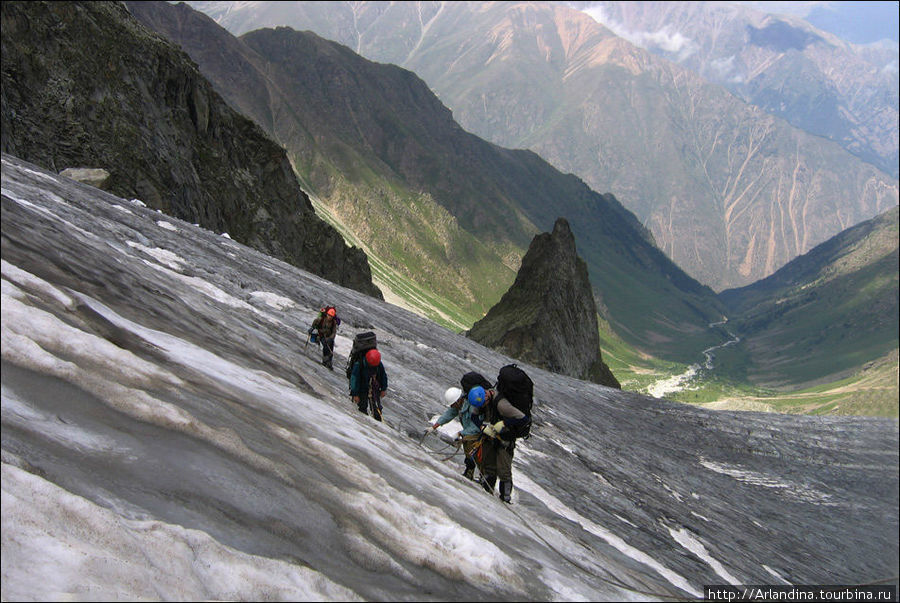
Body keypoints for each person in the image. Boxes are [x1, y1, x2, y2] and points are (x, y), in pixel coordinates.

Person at [470, 384, 530, 503]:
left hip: (506, 439)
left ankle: (505, 498)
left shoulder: (502, 405)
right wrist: (482, 428)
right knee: (489, 467)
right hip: (491, 437)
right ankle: (487, 491)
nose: (481, 407)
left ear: (487, 396)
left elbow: (523, 419)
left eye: (482, 404)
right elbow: (474, 416)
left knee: (504, 471)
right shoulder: (480, 400)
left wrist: (504, 423)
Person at [429, 386, 483, 481]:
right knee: (469, 454)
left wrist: (460, 433)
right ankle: (469, 473)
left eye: (453, 404)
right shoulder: (459, 406)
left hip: (477, 434)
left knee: (475, 456)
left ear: (458, 400)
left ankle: (482, 479)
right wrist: (434, 426)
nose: (452, 407)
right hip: (468, 434)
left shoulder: (472, 407)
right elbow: (449, 414)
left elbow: (476, 427)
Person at [349, 348, 388, 421]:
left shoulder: (378, 363)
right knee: (362, 407)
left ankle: (378, 421)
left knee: (377, 408)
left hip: (374, 388)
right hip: (362, 389)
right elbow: (354, 380)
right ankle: (363, 422)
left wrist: (383, 388)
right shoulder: (359, 365)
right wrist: (355, 394)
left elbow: (383, 376)